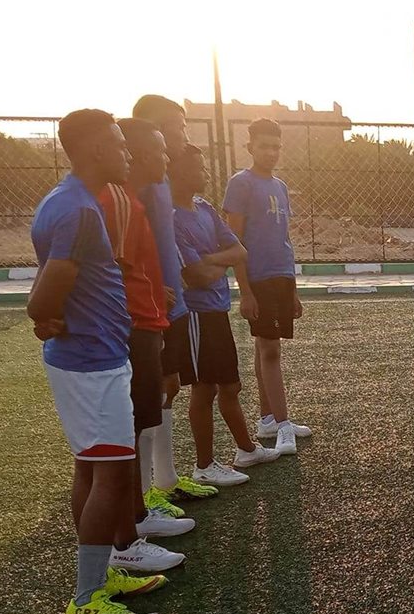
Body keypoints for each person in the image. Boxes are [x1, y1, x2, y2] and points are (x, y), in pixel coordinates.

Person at [30, 109, 168, 614]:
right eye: (117, 143)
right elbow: (47, 288)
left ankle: (102, 574)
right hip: (93, 361)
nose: (126, 152)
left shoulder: (68, 201)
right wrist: (45, 316)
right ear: (93, 150)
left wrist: (52, 315)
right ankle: (87, 597)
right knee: (109, 471)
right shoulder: (79, 210)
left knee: (91, 466)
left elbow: (56, 276)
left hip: (92, 355)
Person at [104, 118, 198, 548]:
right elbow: (111, 268)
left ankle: (142, 508)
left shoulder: (139, 200)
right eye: (160, 149)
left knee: (149, 409)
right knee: (130, 427)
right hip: (137, 322)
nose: (168, 156)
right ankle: (133, 524)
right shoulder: (120, 202)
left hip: (153, 316)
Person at [130, 95, 222, 499]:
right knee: (148, 398)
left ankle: (164, 481)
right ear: (152, 128)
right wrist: (151, 289)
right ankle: (144, 496)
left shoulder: (162, 180)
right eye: (177, 126)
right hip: (152, 304)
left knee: (167, 388)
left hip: (173, 302)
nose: (184, 134)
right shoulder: (138, 184)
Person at [170, 145, 281, 477]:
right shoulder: (172, 220)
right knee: (204, 388)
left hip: (216, 307)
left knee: (230, 386)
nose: (205, 174)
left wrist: (211, 261)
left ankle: (246, 449)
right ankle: (204, 465)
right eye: (198, 169)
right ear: (177, 172)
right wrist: (217, 263)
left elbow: (239, 251)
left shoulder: (204, 209)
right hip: (195, 314)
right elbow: (196, 276)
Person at [224, 118, 311, 455]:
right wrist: (244, 290)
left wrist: (293, 288)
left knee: (266, 349)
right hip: (257, 279)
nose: (271, 152)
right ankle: (284, 424)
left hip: (280, 277)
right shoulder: (240, 184)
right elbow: (235, 239)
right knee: (270, 349)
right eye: (264, 146)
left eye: (276, 146)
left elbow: (284, 238)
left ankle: (268, 418)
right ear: (250, 147)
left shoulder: (279, 186)